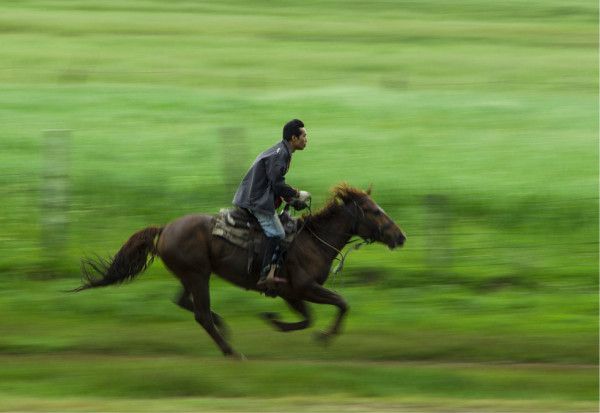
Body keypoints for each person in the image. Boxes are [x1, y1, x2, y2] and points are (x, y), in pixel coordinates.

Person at [233, 119, 310, 289]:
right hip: (256, 200)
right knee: (277, 234)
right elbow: (277, 184)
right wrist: (297, 194)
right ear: (293, 138)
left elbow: (274, 183)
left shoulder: (282, 150)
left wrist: (291, 200)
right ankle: (265, 276)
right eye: (304, 135)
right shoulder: (281, 154)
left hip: (257, 195)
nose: (307, 139)